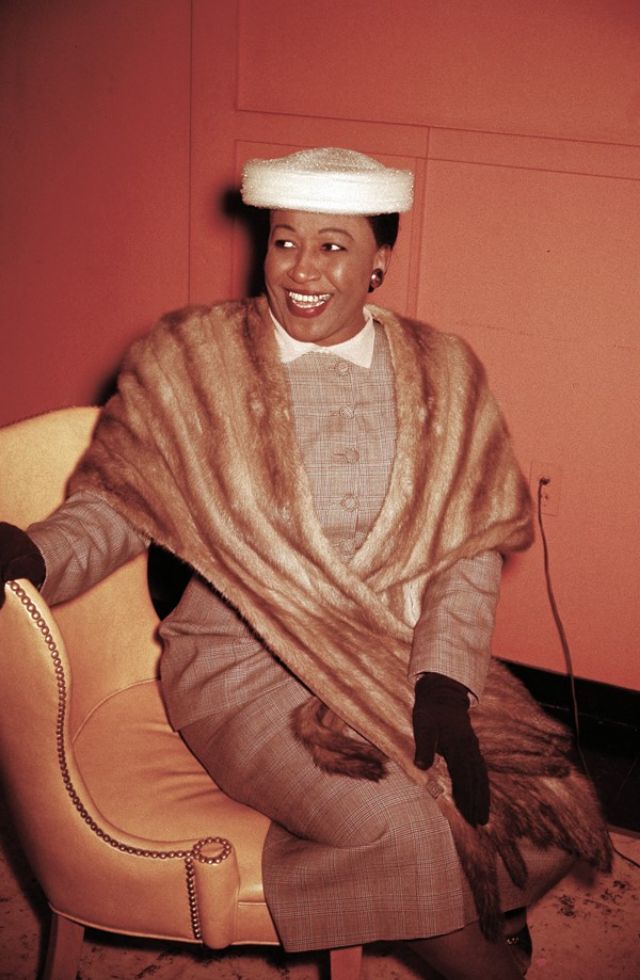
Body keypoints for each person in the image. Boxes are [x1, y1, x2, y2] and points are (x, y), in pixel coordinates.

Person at [0, 147, 610, 979]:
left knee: (547, 797)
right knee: (406, 825)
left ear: (379, 261)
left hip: (390, 659)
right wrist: (37, 551)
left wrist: (443, 683)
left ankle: (452, 903)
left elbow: (466, 551)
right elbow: (119, 503)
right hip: (241, 675)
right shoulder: (199, 363)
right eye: (285, 241)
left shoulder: (442, 374)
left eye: (333, 245)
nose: (302, 270)